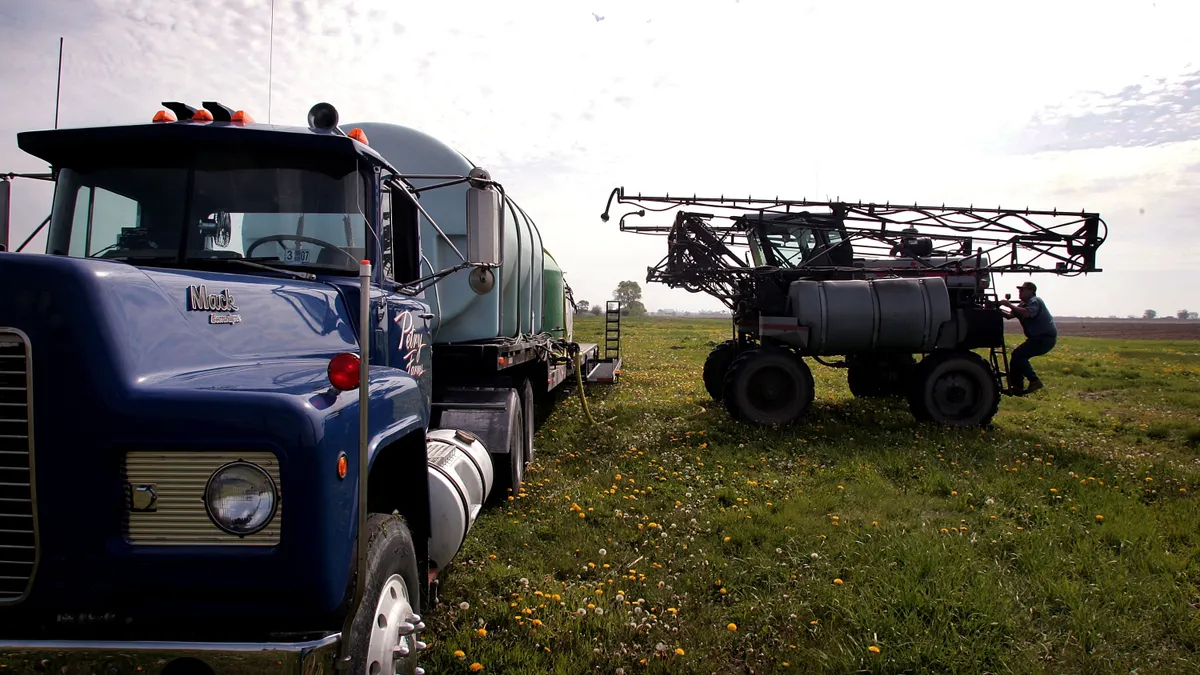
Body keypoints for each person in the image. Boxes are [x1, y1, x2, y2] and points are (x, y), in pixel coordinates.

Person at [1000, 281, 1057, 395]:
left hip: (1044, 338)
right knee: (1016, 356)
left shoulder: (1034, 301)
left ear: (1031, 291)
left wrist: (1009, 305)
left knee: (1019, 355)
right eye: (1019, 290)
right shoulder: (1023, 304)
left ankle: (1034, 380)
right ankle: (1016, 387)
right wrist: (996, 308)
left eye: (1022, 290)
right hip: (1037, 338)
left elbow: (1027, 314)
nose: (1020, 292)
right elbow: (1010, 316)